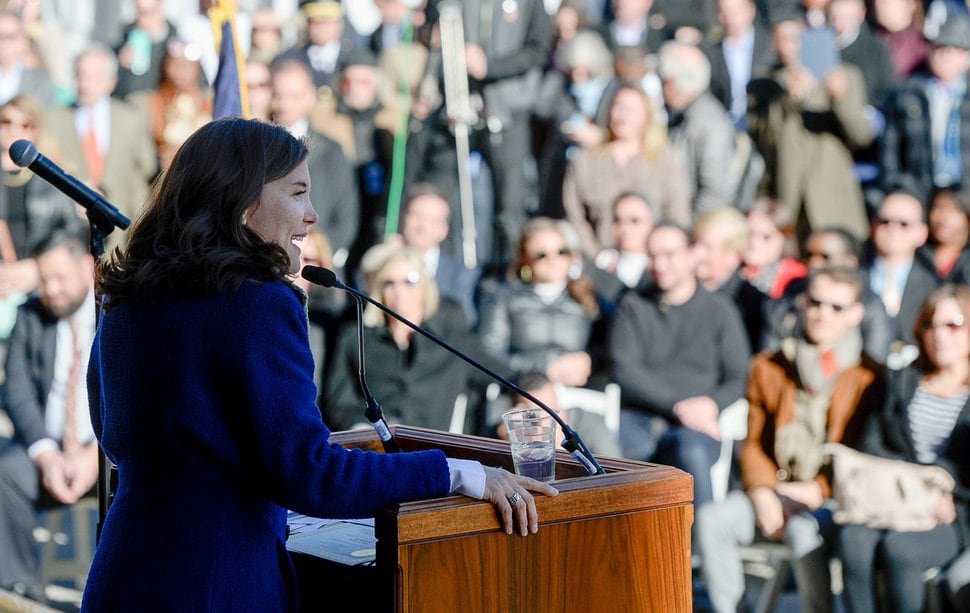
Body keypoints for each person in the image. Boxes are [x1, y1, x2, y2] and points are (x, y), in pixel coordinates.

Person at [81, 118, 557, 611]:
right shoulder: (258, 302)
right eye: (298, 192)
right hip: (216, 586)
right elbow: (311, 474)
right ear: (243, 202)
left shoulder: (129, 296)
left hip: (123, 575)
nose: (311, 214)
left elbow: (109, 428)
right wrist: (459, 474)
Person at [696, 266, 884, 613]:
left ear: (856, 313)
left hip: (833, 500)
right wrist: (762, 491)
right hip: (776, 490)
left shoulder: (869, 376)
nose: (822, 314)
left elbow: (866, 455)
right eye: (815, 302)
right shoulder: (770, 366)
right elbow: (753, 443)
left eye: (836, 307)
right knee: (711, 520)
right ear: (802, 302)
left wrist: (820, 490)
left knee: (802, 532)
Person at [838, 284, 970, 613]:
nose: (940, 335)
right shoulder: (902, 382)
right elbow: (872, 443)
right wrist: (908, 482)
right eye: (930, 325)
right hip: (894, 498)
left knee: (902, 550)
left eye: (953, 324)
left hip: (954, 510)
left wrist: (946, 486)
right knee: (852, 539)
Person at [609, 222, 750, 507]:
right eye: (653, 256)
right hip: (639, 418)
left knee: (692, 453)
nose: (660, 265)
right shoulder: (633, 305)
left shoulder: (719, 310)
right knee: (620, 467)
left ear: (691, 255)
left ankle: (701, 547)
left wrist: (712, 404)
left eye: (670, 255)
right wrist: (677, 406)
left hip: (698, 424)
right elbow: (624, 369)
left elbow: (739, 374)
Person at [0, 231, 97, 601]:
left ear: (87, 266)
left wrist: (97, 454)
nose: (51, 289)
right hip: (49, 452)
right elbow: (18, 392)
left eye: (59, 277)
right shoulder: (30, 315)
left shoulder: (115, 312)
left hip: (109, 454)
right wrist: (45, 453)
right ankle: (18, 593)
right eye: (43, 279)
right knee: (4, 469)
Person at [323, 244, 477, 432]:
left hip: (431, 449)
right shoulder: (355, 336)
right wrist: (363, 429)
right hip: (375, 445)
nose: (399, 291)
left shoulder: (450, 337)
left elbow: (496, 370)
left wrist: (521, 394)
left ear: (425, 286)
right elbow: (340, 400)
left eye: (410, 280)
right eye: (389, 283)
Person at [562, 83, 691, 260]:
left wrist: (660, 253)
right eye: (619, 107)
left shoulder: (664, 159)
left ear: (647, 115)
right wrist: (597, 256)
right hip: (601, 258)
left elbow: (677, 211)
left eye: (632, 109)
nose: (624, 115)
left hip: (653, 260)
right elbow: (574, 214)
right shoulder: (584, 160)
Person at [478, 217, 603, 388]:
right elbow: (489, 354)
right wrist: (543, 368)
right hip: (522, 393)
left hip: (579, 396)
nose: (553, 260)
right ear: (524, 258)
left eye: (561, 251)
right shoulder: (504, 297)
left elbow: (611, 348)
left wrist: (590, 361)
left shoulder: (589, 296)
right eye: (541, 255)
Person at [880, 14, 970, 205]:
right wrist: (900, 187)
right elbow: (890, 150)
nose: (946, 56)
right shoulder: (906, 93)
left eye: (955, 50)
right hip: (919, 190)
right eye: (940, 48)